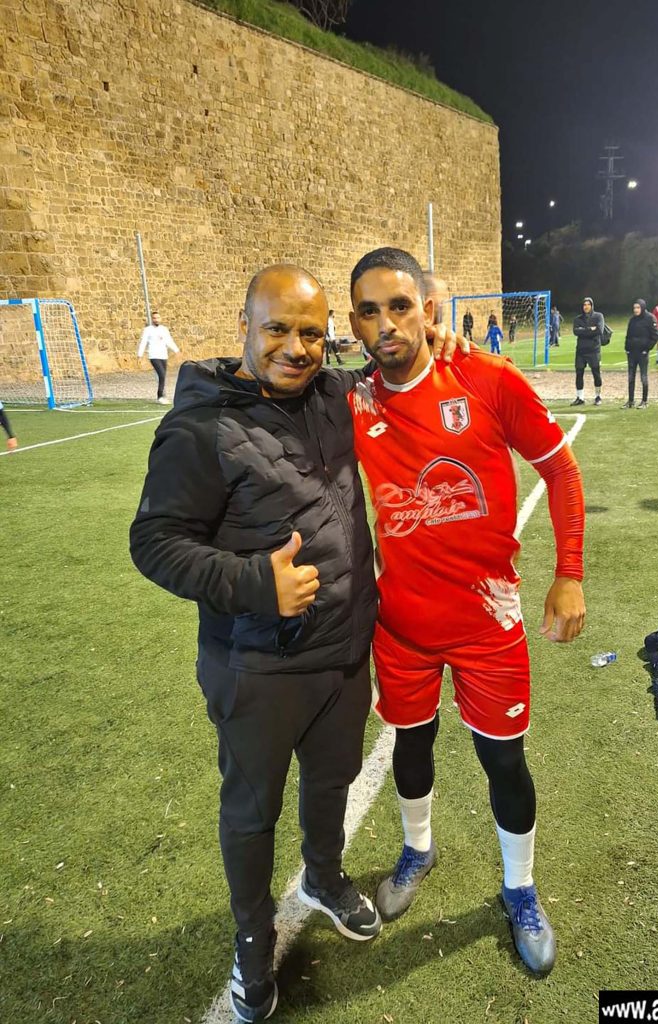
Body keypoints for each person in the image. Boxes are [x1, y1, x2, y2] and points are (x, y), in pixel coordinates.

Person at [129, 265, 465, 1023]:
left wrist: (440, 340)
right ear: (244, 326)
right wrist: (255, 582)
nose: (295, 347)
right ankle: (253, 941)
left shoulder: (334, 394)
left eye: (311, 333)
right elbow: (153, 542)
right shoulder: (200, 428)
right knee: (252, 811)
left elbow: (397, 365)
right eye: (277, 328)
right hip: (256, 666)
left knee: (332, 781)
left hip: (342, 656)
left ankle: (323, 875)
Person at [347, 247, 586, 976]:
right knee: (410, 746)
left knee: (502, 758)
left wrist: (568, 574)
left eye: (400, 306)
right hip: (401, 627)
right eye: (369, 311)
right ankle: (417, 849)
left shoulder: (485, 378)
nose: (387, 324)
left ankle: (520, 888)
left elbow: (559, 469)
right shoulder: (351, 401)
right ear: (354, 324)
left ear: (427, 309)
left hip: (489, 624)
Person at [137, 310, 180, 404]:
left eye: (157, 318)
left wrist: (176, 350)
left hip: (163, 356)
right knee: (162, 374)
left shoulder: (164, 329)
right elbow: (143, 342)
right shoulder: (148, 330)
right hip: (153, 356)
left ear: (160, 319)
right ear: (152, 319)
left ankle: (163, 395)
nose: (156, 320)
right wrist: (140, 355)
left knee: (162, 376)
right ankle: (160, 396)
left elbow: (169, 341)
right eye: (154, 318)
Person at [623, 300, 658, 409]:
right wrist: (627, 348)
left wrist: (646, 349)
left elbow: (655, 336)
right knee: (631, 377)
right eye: (634, 308)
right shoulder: (632, 320)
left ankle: (644, 401)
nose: (636, 310)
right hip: (631, 353)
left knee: (643, 377)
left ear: (642, 307)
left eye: (638, 307)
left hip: (642, 353)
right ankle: (631, 401)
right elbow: (628, 335)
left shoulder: (650, 318)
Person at [571, 297, 604, 406]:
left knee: (596, 373)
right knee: (579, 373)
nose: (586, 306)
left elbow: (599, 330)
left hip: (594, 350)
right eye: (584, 304)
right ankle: (580, 398)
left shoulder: (598, 316)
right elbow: (576, 331)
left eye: (588, 304)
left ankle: (598, 396)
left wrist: (583, 330)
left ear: (592, 305)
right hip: (581, 351)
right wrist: (590, 329)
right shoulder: (578, 319)